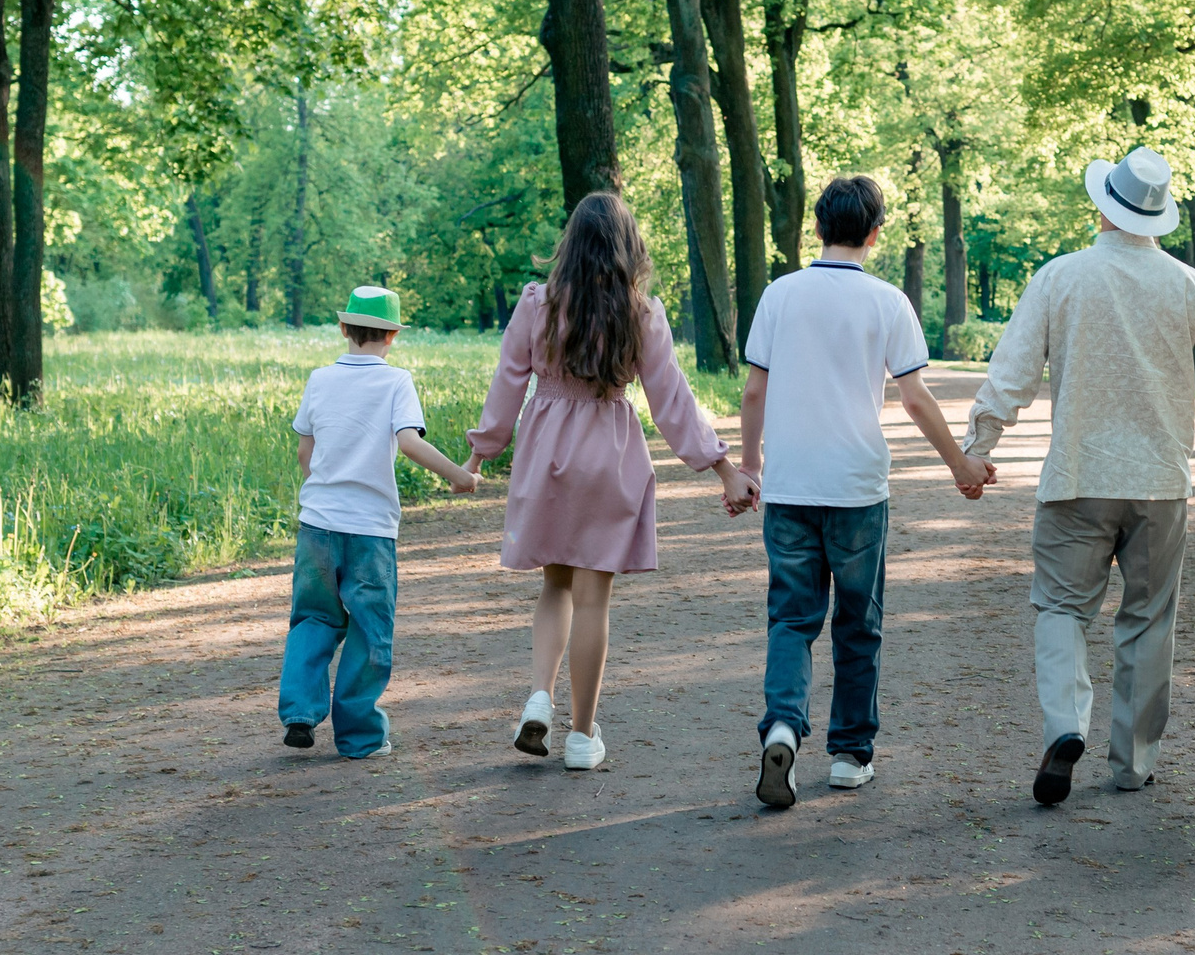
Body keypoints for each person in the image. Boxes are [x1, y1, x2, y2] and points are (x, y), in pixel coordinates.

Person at [962, 147, 1195, 806]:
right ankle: (1133, 762)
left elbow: (1013, 372)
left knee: (1060, 606)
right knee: (1148, 618)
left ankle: (1064, 725)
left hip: (1077, 477)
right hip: (1160, 484)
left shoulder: (1059, 278)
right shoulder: (1191, 286)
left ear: (1103, 206)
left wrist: (978, 447)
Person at [467, 192, 759, 771]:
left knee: (554, 586)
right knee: (593, 597)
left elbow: (506, 385)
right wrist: (725, 469)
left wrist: (480, 456)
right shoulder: (641, 313)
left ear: (569, 244)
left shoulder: (537, 304)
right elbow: (671, 399)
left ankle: (537, 698)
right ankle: (581, 737)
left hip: (548, 450)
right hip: (611, 453)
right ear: (629, 249)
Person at [738, 176, 997, 810]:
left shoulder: (780, 294)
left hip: (792, 484)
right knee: (859, 622)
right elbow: (915, 399)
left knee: (792, 619)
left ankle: (780, 729)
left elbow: (752, 392)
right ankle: (852, 755)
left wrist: (750, 469)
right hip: (857, 486)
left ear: (817, 228)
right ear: (875, 233)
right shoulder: (888, 302)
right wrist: (960, 463)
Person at [280, 286, 479, 759]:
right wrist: (459, 475)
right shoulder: (396, 381)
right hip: (370, 531)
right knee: (370, 629)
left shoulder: (319, 379)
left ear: (344, 329)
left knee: (312, 617)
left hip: (318, 526)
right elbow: (408, 442)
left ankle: (300, 713)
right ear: (392, 337)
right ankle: (360, 738)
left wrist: (326, 491)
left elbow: (305, 451)